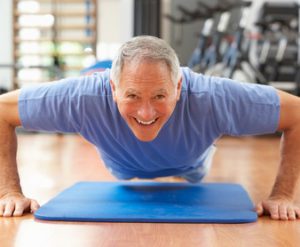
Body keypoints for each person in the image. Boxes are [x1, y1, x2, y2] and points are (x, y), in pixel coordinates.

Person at [0, 36, 299, 220]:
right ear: (113, 87)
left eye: (159, 95)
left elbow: (295, 114)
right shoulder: (83, 98)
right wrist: (8, 192)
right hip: (121, 165)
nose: (146, 111)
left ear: (179, 86)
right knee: (125, 168)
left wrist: (282, 195)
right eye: (132, 95)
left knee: (194, 170)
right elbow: (3, 111)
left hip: (190, 162)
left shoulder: (214, 98)